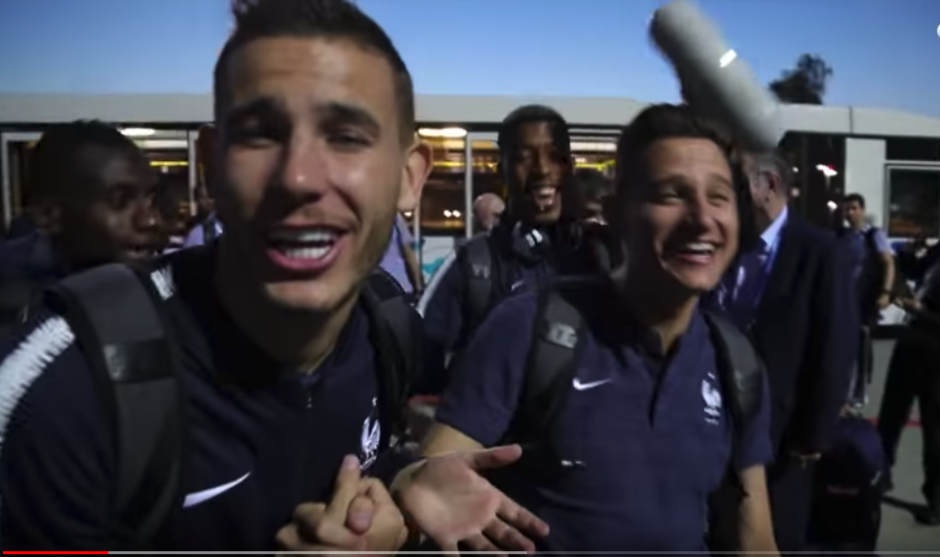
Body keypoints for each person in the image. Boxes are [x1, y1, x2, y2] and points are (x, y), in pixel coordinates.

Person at [0, 0, 545, 552]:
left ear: (409, 179)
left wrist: (400, 488)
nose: (299, 177)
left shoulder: (385, 327)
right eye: (261, 133)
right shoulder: (64, 393)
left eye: (346, 136)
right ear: (212, 166)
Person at [394, 104, 778, 554]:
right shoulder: (525, 327)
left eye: (718, 197)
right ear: (616, 213)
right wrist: (404, 484)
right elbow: (430, 491)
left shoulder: (737, 363)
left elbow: (756, 540)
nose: (701, 218)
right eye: (671, 194)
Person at [709, 151, 857, 553]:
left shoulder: (820, 252)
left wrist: (813, 435)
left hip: (785, 440)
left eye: (733, 184)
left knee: (779, 535)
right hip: (715, 428)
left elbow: (836, 347)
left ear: (768, 187)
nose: (722, 195)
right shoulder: (724, 244)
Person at [418, 105, 620, 391]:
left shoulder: (606, 256)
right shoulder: (473, 265)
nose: (541, 169)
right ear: (502, 170)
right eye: (524, 157)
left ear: (569, 166)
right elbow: (420, 379)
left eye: (554, 156)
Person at [0, 120, 163, 334]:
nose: (150, 220)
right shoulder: (12, 306)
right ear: (48, 215)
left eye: (150, 199)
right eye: (120, 200)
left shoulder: (163, 292)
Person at [877, 257, 940, 525]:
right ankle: (879, 474)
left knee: (935, 429)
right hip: (911, 343)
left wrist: (919, 310)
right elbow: (914, 268)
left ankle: (936, 501)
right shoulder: (935, 255)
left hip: (935, 352)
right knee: (890, 415)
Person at [378, 213, 423, 299]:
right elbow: (409, 254)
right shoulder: (394, 217)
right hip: (399, 284)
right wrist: (418, 286)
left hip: (375, 288)